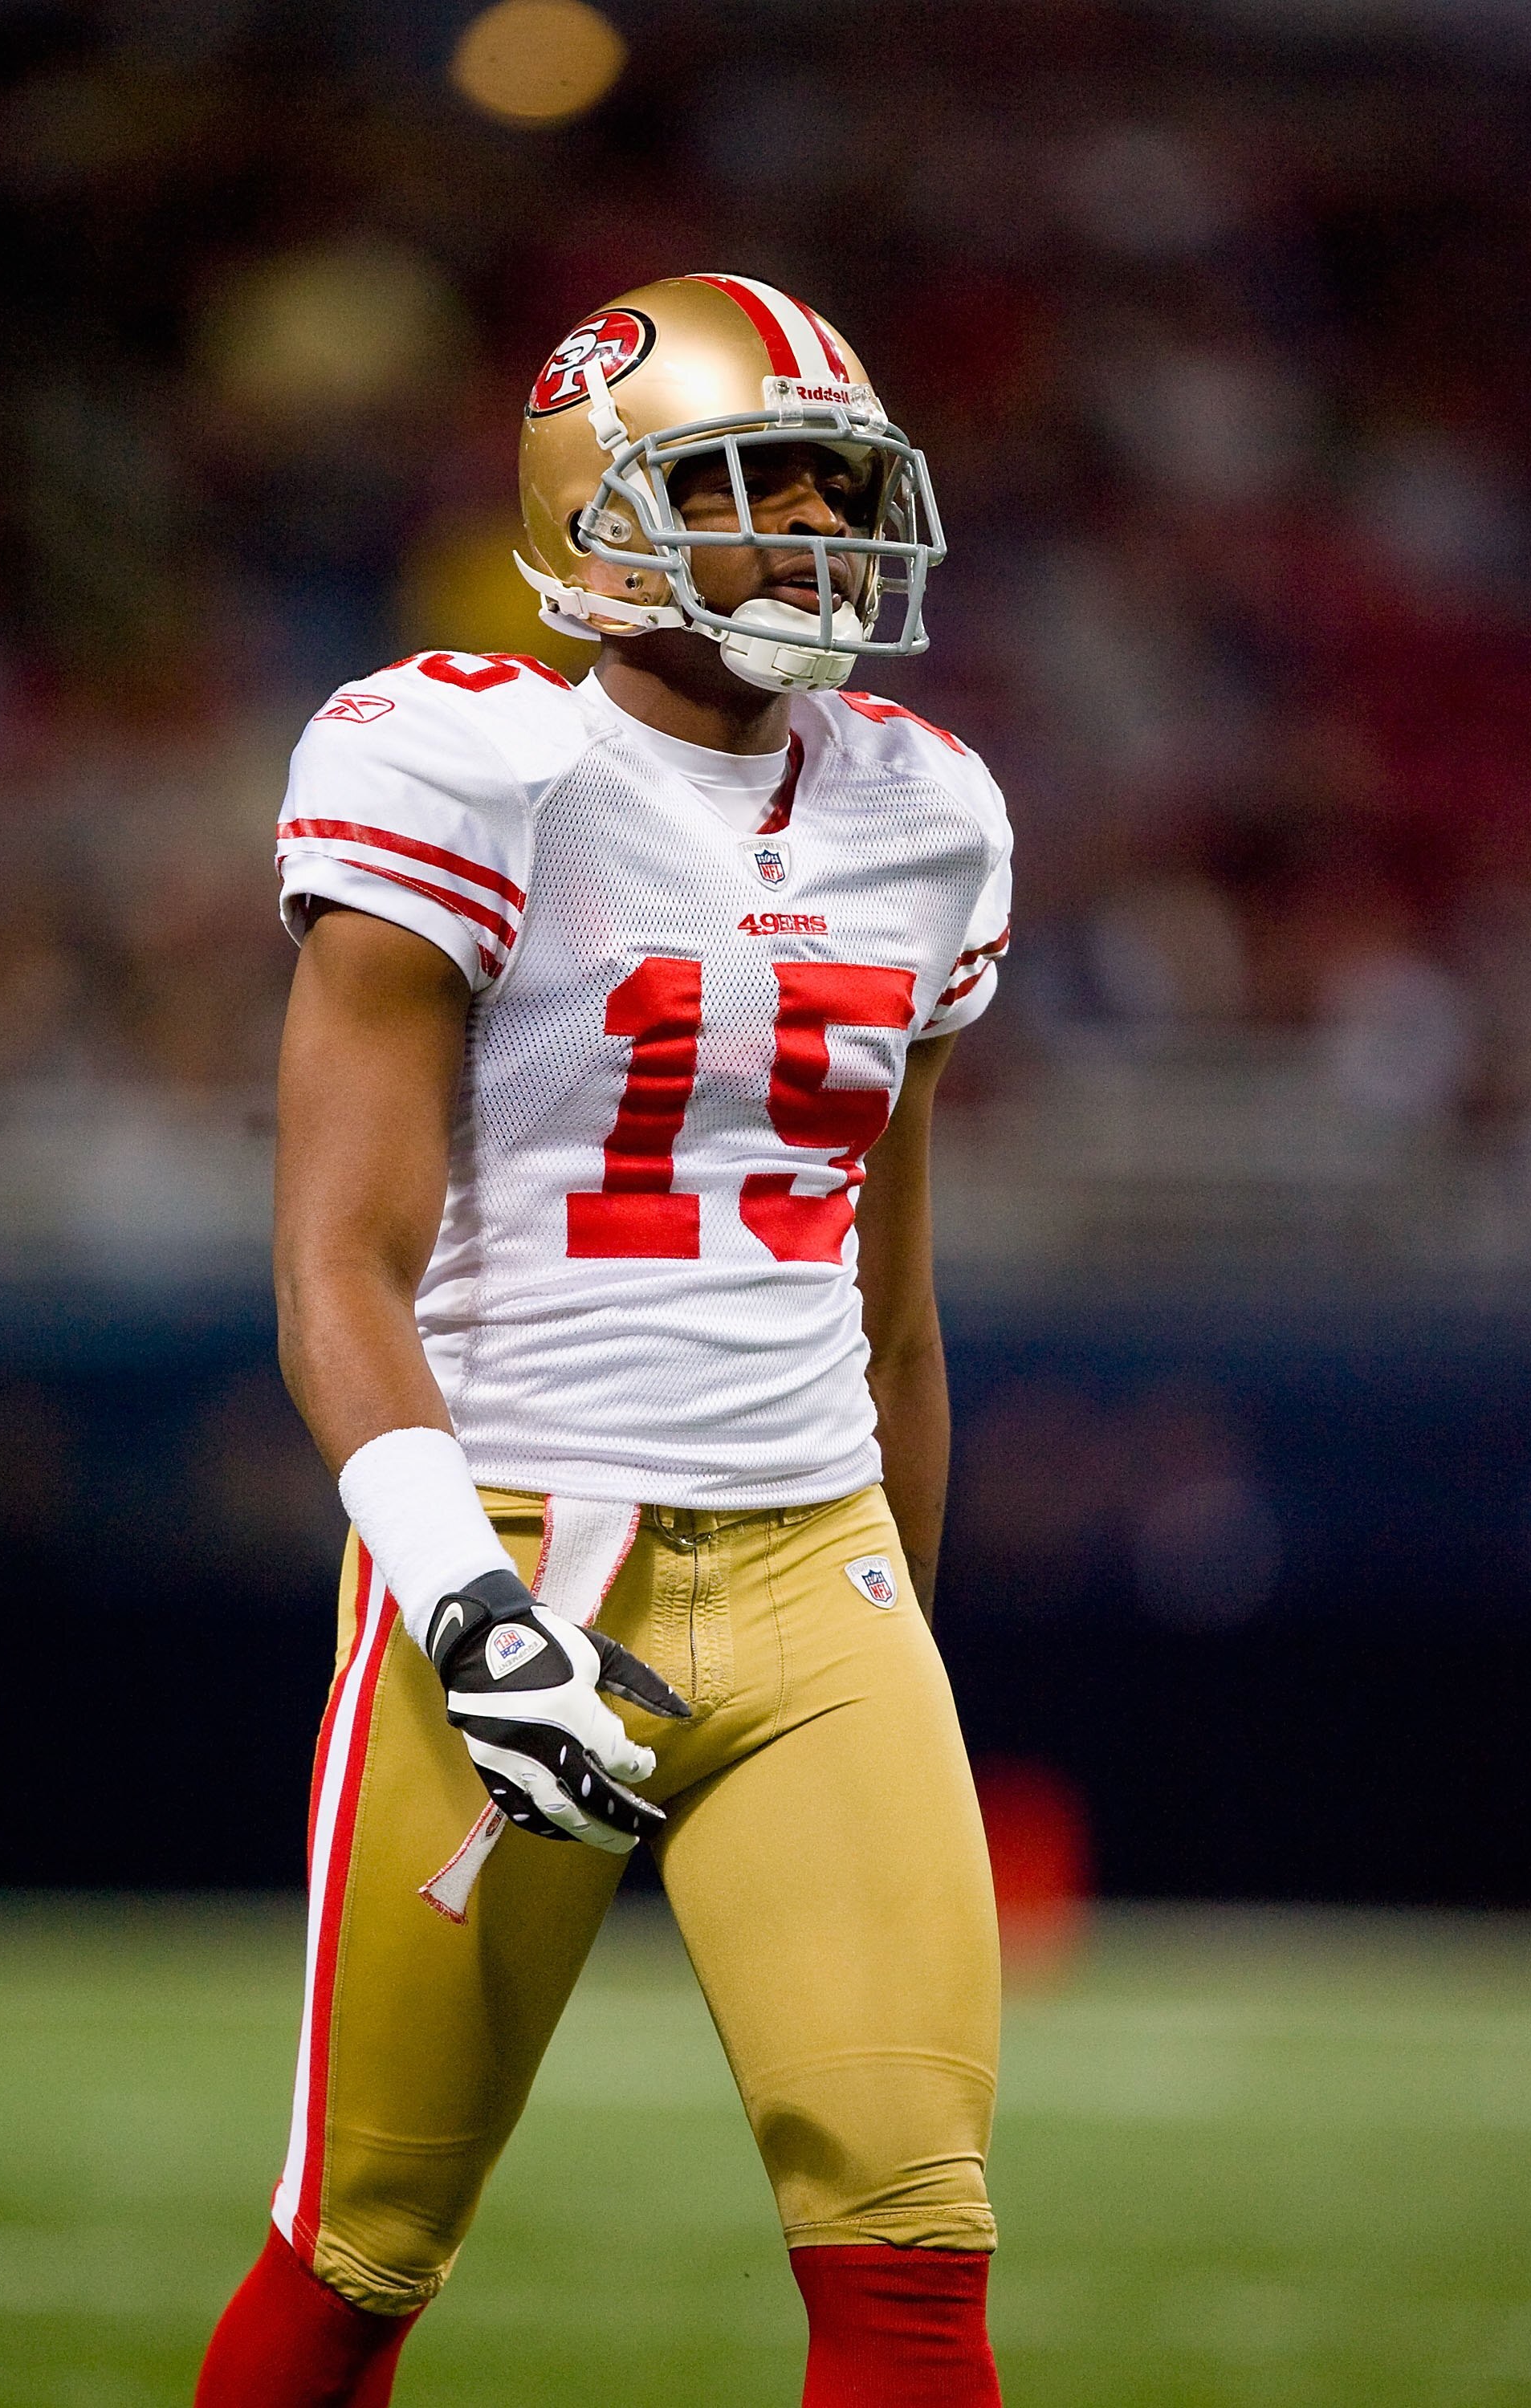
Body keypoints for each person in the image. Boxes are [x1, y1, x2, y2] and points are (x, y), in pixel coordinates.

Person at [195, 272, 1012, 2408]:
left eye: (849, 492)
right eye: (763, 491)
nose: (826, 543)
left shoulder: (930, 808)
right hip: (526, 1548)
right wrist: (461, 1605)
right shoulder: (465, 759)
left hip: (817, 1566)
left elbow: (890, 1306)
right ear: (602, 516)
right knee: (361, 2254)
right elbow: (336, 1268)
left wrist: (897, 1632)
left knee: (916, 2254)